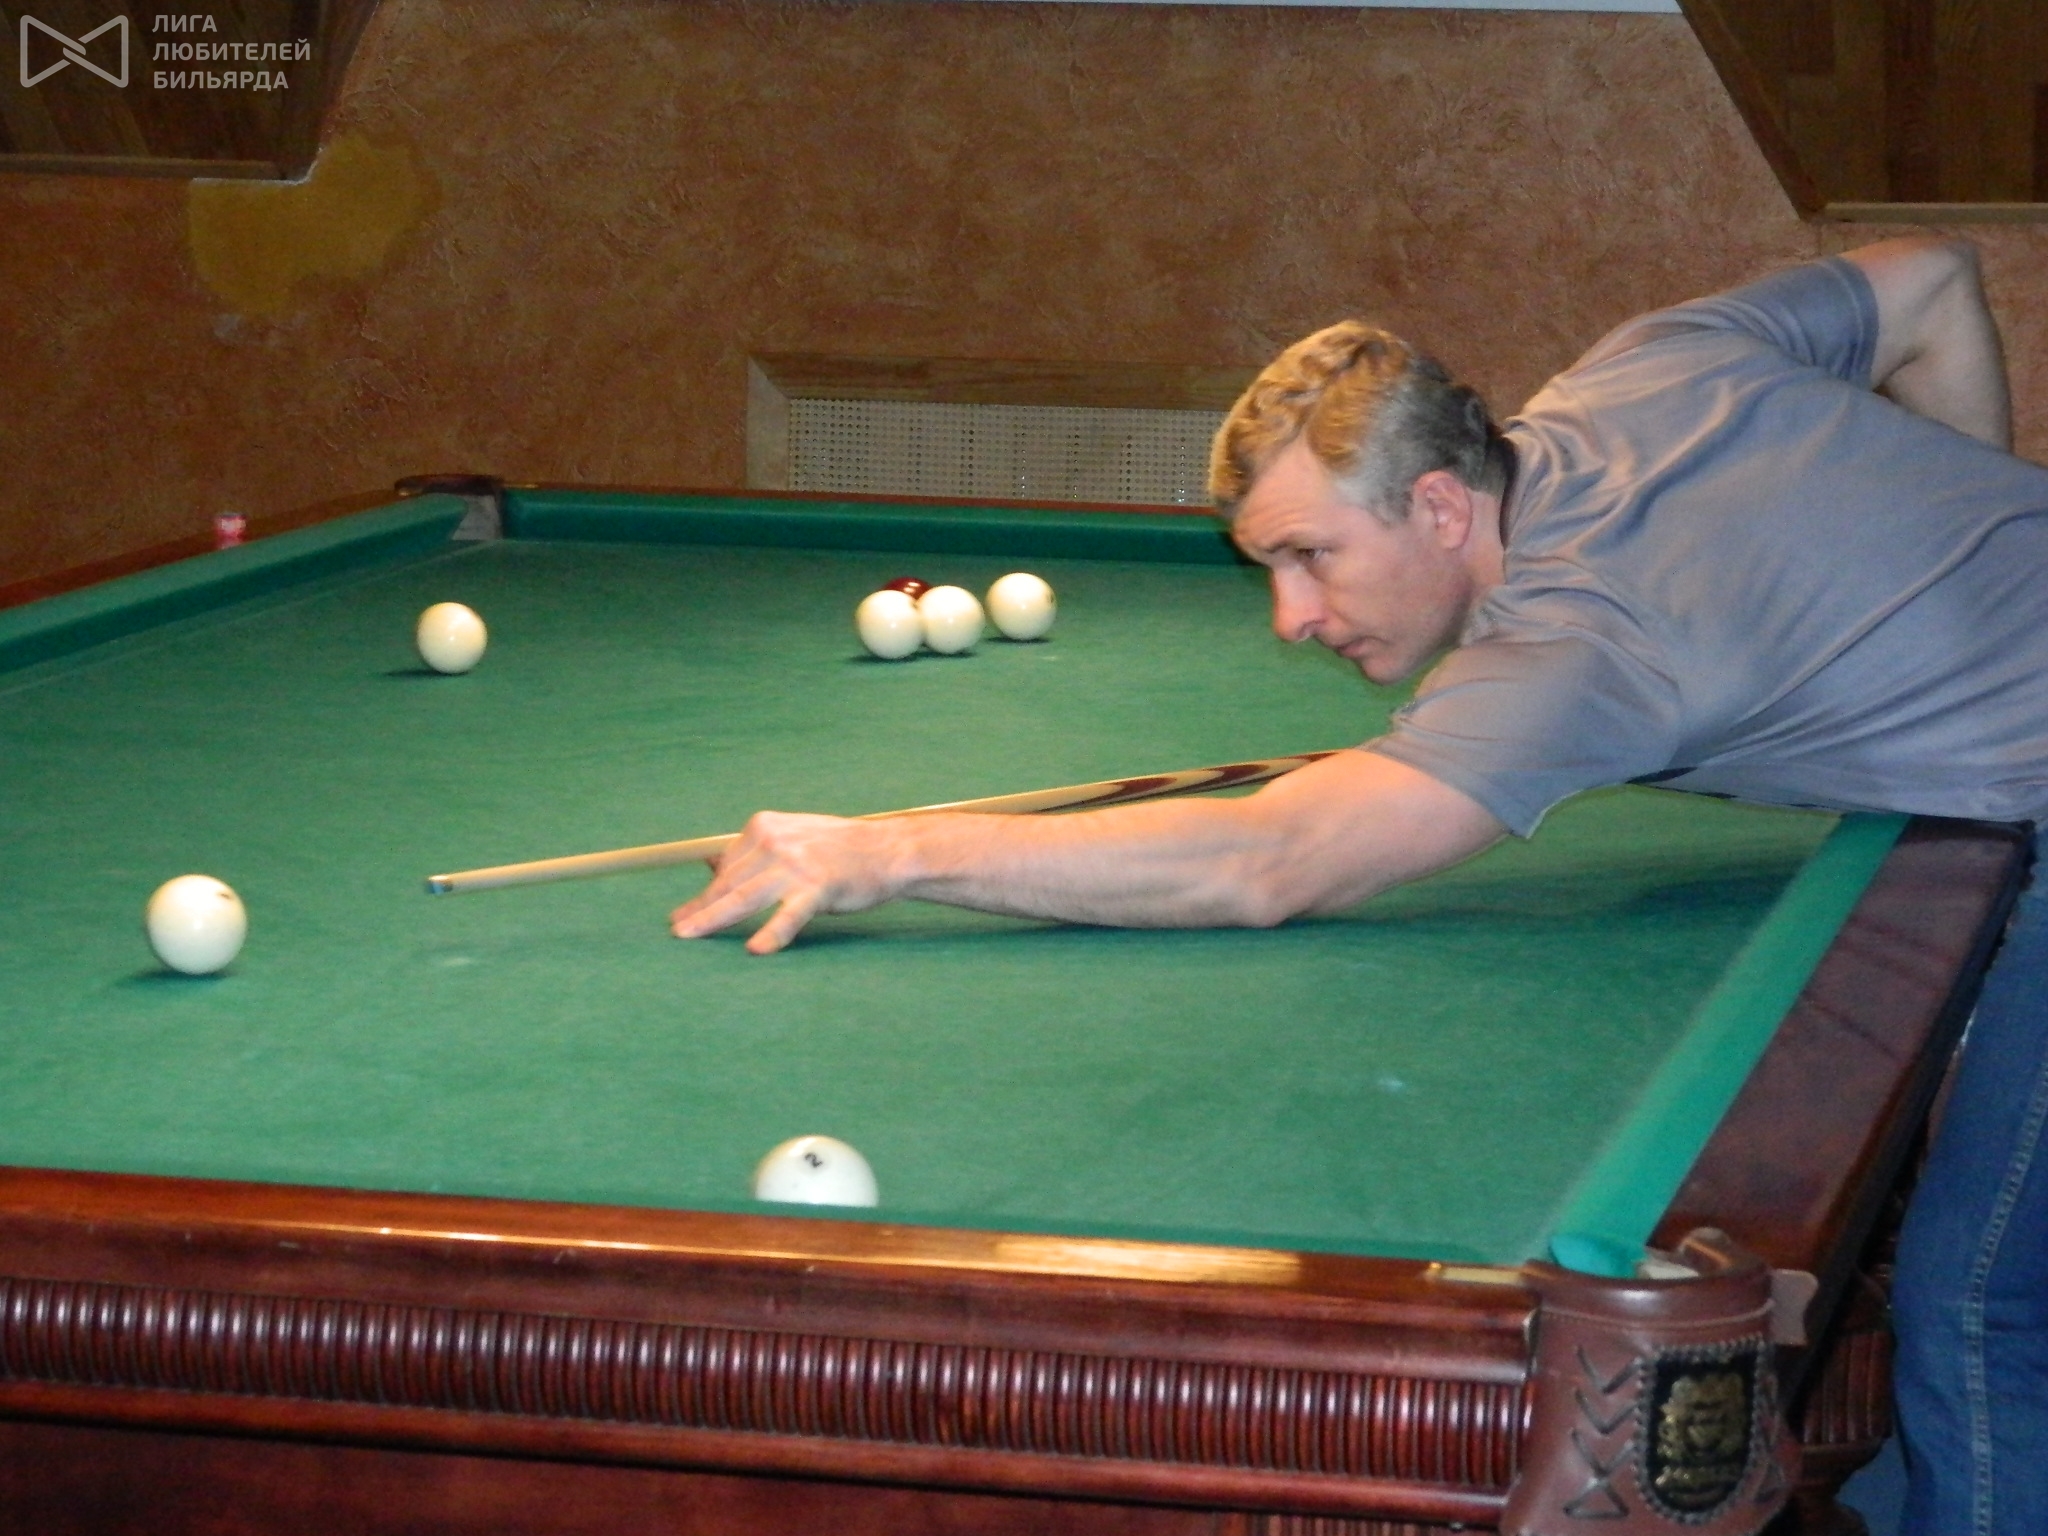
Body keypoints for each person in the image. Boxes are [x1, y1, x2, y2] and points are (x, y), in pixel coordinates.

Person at [671, 237, 2048, 1536]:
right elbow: (1929, 282)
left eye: (1310, 556)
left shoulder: (1578, 652)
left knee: (1980, 1303)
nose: (1291, 618)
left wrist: (889, 850)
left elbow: (1267, 859)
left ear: (1440, 503)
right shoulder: (1640, 371)